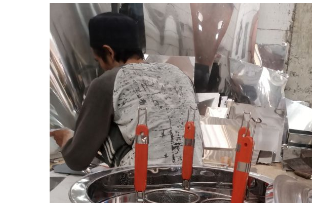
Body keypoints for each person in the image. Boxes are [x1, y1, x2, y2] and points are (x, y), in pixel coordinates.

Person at [51, 12, 203, 171]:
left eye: (98, 60)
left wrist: (66, 139)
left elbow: (77, 160)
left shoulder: (108, 81)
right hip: (193, 175)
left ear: (109, 52)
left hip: (144, 180)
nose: (101, 66)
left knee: (101, 121)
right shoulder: (177, 73)